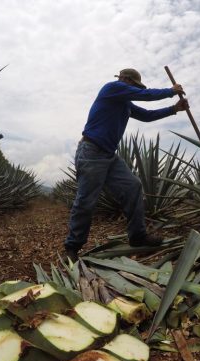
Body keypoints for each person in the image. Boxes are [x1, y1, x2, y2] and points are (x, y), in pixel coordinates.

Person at [64, 68, 189, 262]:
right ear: (125, 80)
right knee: (86, 201)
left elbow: (147, 116)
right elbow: (145, 95)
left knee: (133, 186)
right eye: (132, 85)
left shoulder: (125, 104)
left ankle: (137, 237)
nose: (131, 88)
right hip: (91, 152)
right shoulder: (112, 88)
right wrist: (170, 91)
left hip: (108, 155)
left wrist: (174, 109)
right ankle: (72, 247)